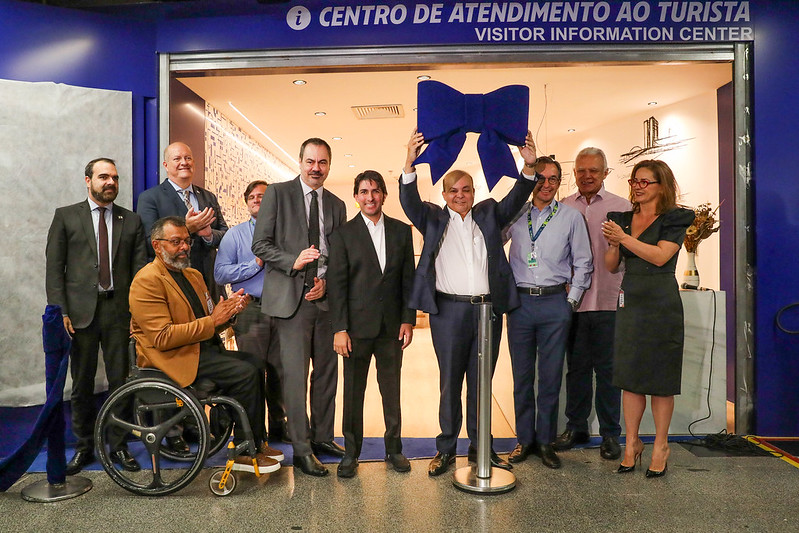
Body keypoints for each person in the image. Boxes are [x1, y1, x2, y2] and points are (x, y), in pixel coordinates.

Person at [401, 129, 540, 477]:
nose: (460, 195)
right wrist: (409, 163)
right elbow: (409, 202)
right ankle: (446, 449)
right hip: (448, 312)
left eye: (466, 190)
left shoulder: (490, 214)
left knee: (482, 383)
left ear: (474, 192)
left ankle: (482, 448)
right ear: (444, 194)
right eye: (453, 190)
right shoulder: (432, 218)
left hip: (486, 311)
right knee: (450, 382)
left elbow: (516, 196)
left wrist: (529, 166)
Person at [129, 216, 283, 474]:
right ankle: (245, 451)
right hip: (171, 359)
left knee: (257, 364)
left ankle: (256, 442)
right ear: (157, 245)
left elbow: (211, 321)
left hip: (200, 350)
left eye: (187, 241)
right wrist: (213, 320)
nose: (184, 247)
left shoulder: (193, 275)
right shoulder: (147, 280)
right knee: (245, 372)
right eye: (176, 242)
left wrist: (230, 312)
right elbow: (162, 338)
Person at [251, 138, 347, 476]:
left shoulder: (336, 204)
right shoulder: (278, 194)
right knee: (294, 377)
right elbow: (260, 244)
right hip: (290, 303)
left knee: (327, 374)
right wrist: (293, 261)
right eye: (310, 161)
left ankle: (322, 437)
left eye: (322, 162)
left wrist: (326, 282)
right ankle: (303, 450)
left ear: (329, 165)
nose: (316, 168)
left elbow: (339, 255)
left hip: (325, 302)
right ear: (300, 161)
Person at [45, 157, 147, 475]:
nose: (110, 182)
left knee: (121, 381)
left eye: (114, 177)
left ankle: (119, 445)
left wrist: (139, 313)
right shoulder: (66, 216)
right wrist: (60, 310)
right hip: (79, 315)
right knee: (82, 384)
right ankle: (84, 447)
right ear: (88, 180)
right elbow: (54, 268)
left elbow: (141, 272)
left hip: (119, 312)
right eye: (103, 177)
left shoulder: (131, 220)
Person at [601, 159, 695, 477]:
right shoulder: (621, 219)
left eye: (645, 182)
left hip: (661, 303)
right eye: (634, 181)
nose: (638, 187)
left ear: (661, 186)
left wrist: (624, 239)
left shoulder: (675, 218)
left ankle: (661, 445)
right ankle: (631, 443)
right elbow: (611, 265)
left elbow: (660, 256)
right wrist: (614, 244)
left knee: (660, 380)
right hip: (630, 301)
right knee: (630, 378)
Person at [504, 156, 593, 470]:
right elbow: (491, 240)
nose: (546, 184)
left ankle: (545, 441)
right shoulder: (516, 214)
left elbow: (583, 262)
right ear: (531, 181)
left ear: (559, 182)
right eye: (540, 178)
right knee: (522, 377)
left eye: (553, 179)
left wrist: (571, 302)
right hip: (519, 303)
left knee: (551, 377)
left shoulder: (571, 217)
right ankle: (524, 439)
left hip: (555, 303)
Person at [327, 170, 416, 478]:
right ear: (356, 197)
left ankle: (394, 449)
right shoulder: (343, 235)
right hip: (355, 330)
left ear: (384, 196)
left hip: (391, 328)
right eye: (364, 192)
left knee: (391, 391)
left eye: (375, 191)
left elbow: (408, 280)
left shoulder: (401, 231)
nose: (370, 197)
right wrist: (339, 328)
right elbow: (337, 285)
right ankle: (351, 453)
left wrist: (408, 319)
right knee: (353, 393)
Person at [554, 148, 632, 461]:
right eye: (581, 170)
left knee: (609, 372)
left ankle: (611, 434)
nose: (587, 176)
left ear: (605, 173)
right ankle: (577, 427)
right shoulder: (562, 207)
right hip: (573, 303)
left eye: (594, 171)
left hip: (610, 301)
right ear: (574, 173)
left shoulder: (623, 208)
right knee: (576, 370)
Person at [214, 180, 287, 443]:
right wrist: (254, 265)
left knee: (281, 372)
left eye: (263, 196)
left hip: (283, 308)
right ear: (246, 202)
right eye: (252, 197)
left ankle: (279, 426)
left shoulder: (285, 234)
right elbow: (220, 273)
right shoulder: (235, 235)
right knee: (252, 372)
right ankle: (255, 433)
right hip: (250, 309)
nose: (257, 200)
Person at [137, 142, 228, 301]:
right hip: (173, 282)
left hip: (210, 281)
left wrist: (209, 235)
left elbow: (225, 235)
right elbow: (149, 242)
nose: (184, 162)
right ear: (166, 165)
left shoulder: (208, 197)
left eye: (188, 158)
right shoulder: (150, 198)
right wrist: (188, 229)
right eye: (177, 159)